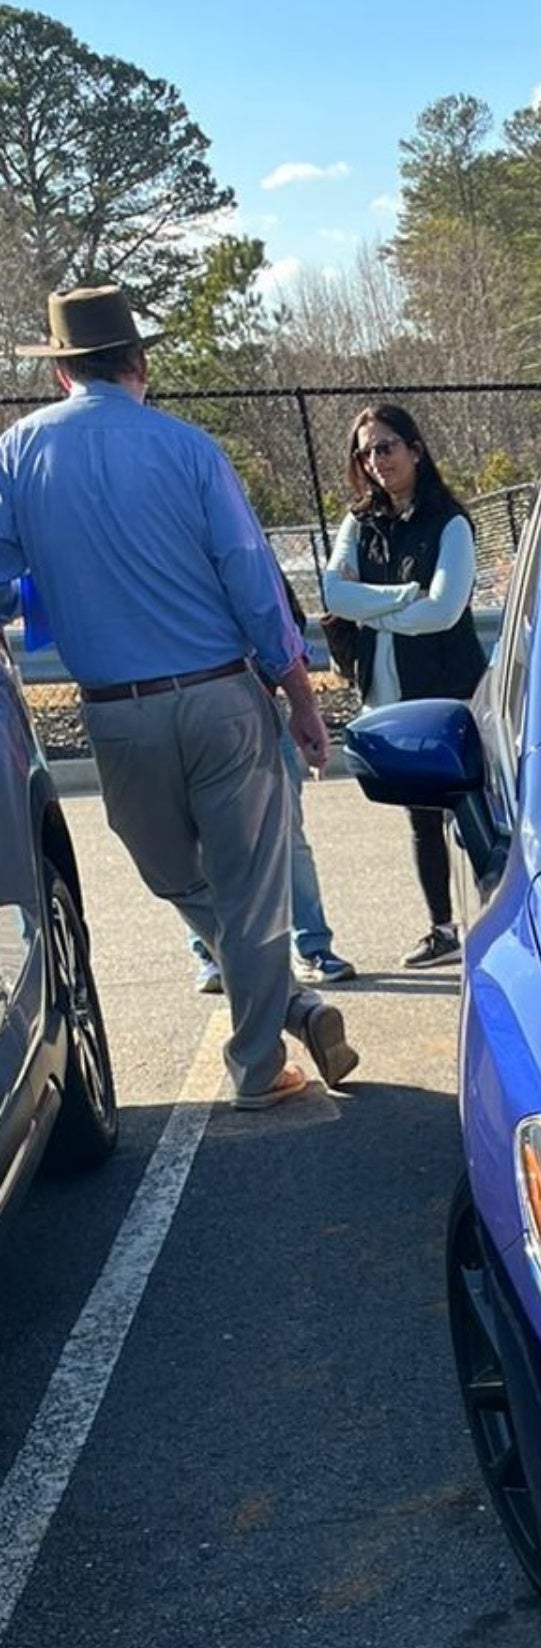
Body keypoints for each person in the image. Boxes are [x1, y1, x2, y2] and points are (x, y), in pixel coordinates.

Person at [0, 285, 357, 1111]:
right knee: (250, 884)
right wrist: (299, 691)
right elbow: (252, 579)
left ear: (60, 372)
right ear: (140, 364)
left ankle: (272, 1034)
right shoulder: (189, 450)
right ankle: (273, 1036)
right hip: (221, 691)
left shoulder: (17, 456)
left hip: (116, 710)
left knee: (174, 879)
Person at [320, 402, 488, 969]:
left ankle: (500, 915)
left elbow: (444, 612)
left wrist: (371, 608)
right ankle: (442, 929)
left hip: (449, 691)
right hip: (386, 694)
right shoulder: (358, 524)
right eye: (365, 452)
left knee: (474, 810)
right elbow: (335, 597)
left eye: (386, 447)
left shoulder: (450, 524)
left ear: (415, 449)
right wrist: (398, 600)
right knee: (420, 817)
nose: (376, 461)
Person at [189, 572, 355, 992]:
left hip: (258, 706)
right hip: (193, 713)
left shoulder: (242, 551)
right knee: (201, 839)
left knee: (285, 835)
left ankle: (313, 945)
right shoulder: (160, 556)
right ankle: (210, 953)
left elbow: (288, 621)